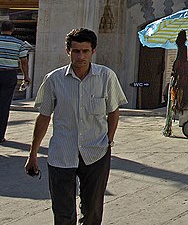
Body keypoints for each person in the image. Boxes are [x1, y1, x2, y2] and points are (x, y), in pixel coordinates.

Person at [25, 28, 128, 225]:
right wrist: (33, 153)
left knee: (92, 210)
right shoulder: (53, 79)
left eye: (85, 51)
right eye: (76, 51)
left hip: (96, 151)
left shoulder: (106, 77)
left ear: (93, 51)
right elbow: (44, 116)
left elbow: (114, 111)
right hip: (62, 152)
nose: (80, 56)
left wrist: (108, 141)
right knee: (63, 212)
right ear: (68, 51)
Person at [1, 20, 32, 143]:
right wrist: (26, 76)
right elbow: (23, 62)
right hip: (9, 74)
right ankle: (0, 135)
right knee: (4, 105)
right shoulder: (19, 44)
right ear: (13, 30)